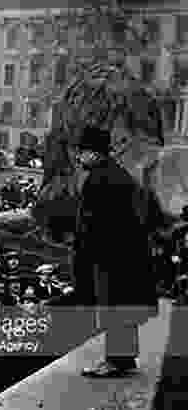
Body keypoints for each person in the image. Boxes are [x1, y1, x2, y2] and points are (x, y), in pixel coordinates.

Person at [73, 126, 158, 378]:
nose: (79, 157)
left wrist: (84, 252)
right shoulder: (115, 174)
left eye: (83, 152)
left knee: (114, 306)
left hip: (112, 256)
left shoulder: (101, 178)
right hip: (127, 253)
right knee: (123, 306)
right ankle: (125, 358)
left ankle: (114, 362)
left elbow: (95, 223)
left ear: (95, 153)